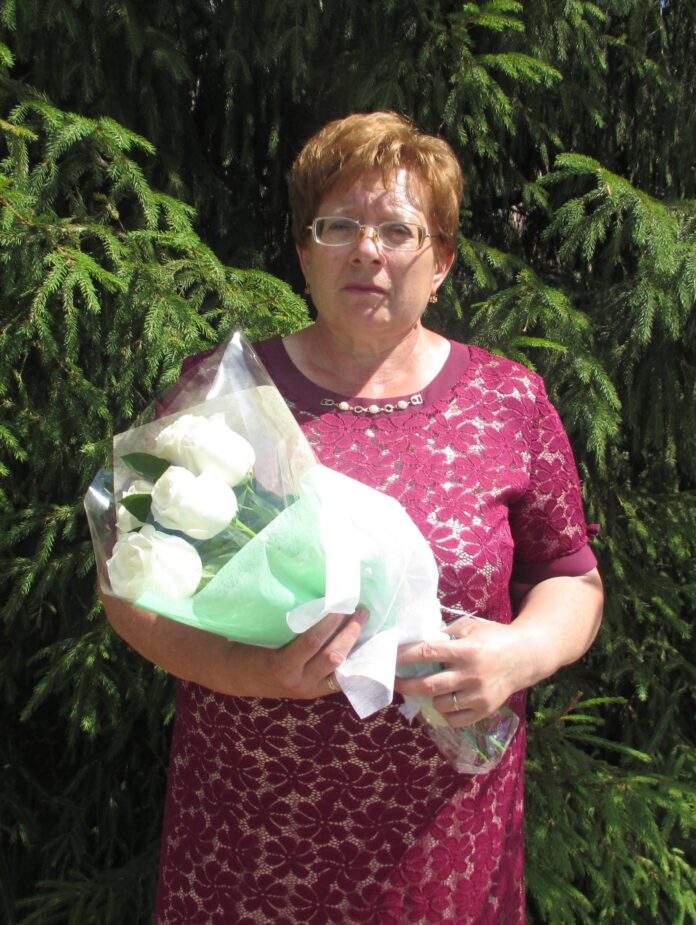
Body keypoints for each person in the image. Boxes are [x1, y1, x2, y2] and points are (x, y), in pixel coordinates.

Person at [102, 111, 603, 924]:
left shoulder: (508, 400)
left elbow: (571, 578)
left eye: (398, 230)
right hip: (246, 846)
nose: (368, 250)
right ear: (306, 253)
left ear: (441, 263)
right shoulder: (226, 398)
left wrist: (521, 652)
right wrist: (250, 672)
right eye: (339, 226)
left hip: (446, 851)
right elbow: (132, 587)